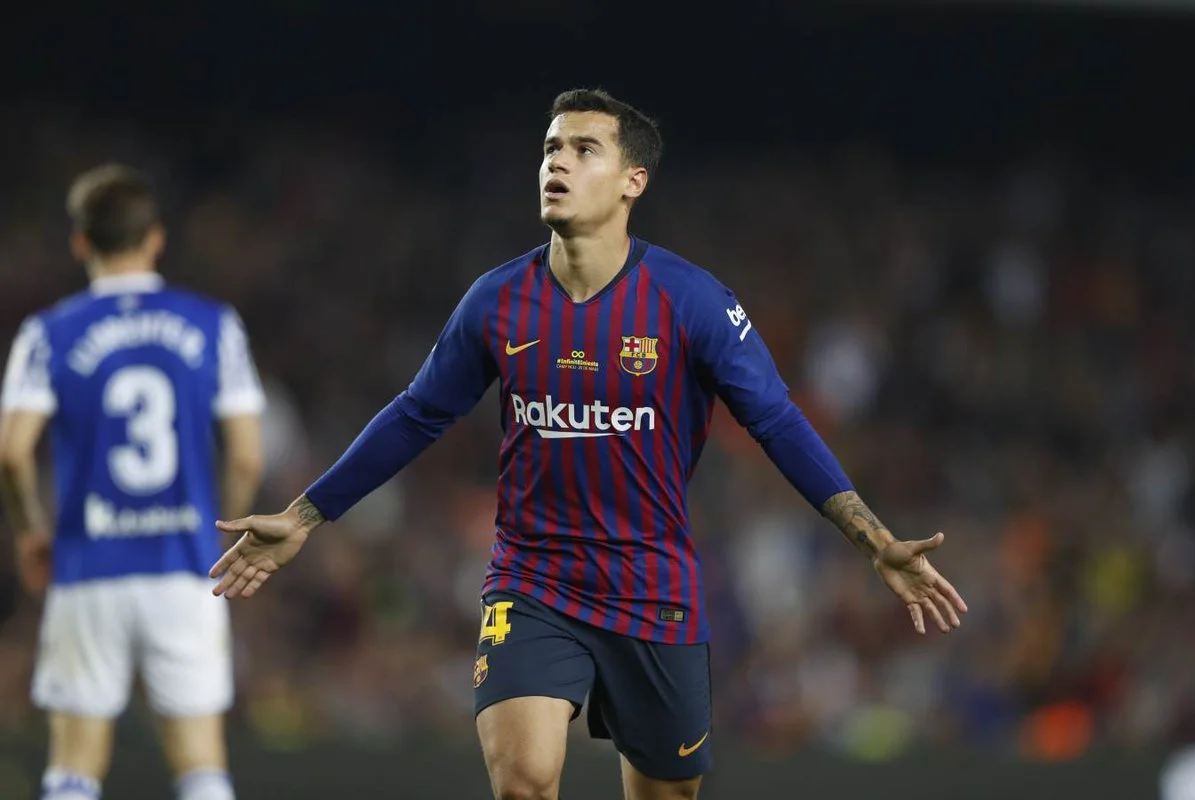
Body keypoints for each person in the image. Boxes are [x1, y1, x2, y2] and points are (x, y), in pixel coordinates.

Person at [209, 88, 967, 800]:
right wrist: (304, 516)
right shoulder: (496, 300)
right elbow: (416, 415)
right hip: (531, 582)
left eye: (583, 149)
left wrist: (874, 540)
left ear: (634, 180)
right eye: (551, 148)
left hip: (652, 587)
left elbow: (777, 422)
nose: (558, 163)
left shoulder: (691, 300)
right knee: (525, 781)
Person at [0, 164, 265, 800]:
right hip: (185, 565)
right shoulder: (214, 324)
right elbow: (247, 458)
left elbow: (12, 452)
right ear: (155, 238)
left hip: (88, 565)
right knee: (201, 763)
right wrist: (223, 537)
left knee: (74, 764)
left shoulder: (48, 333)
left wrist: (31, 532)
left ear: (80, 243)